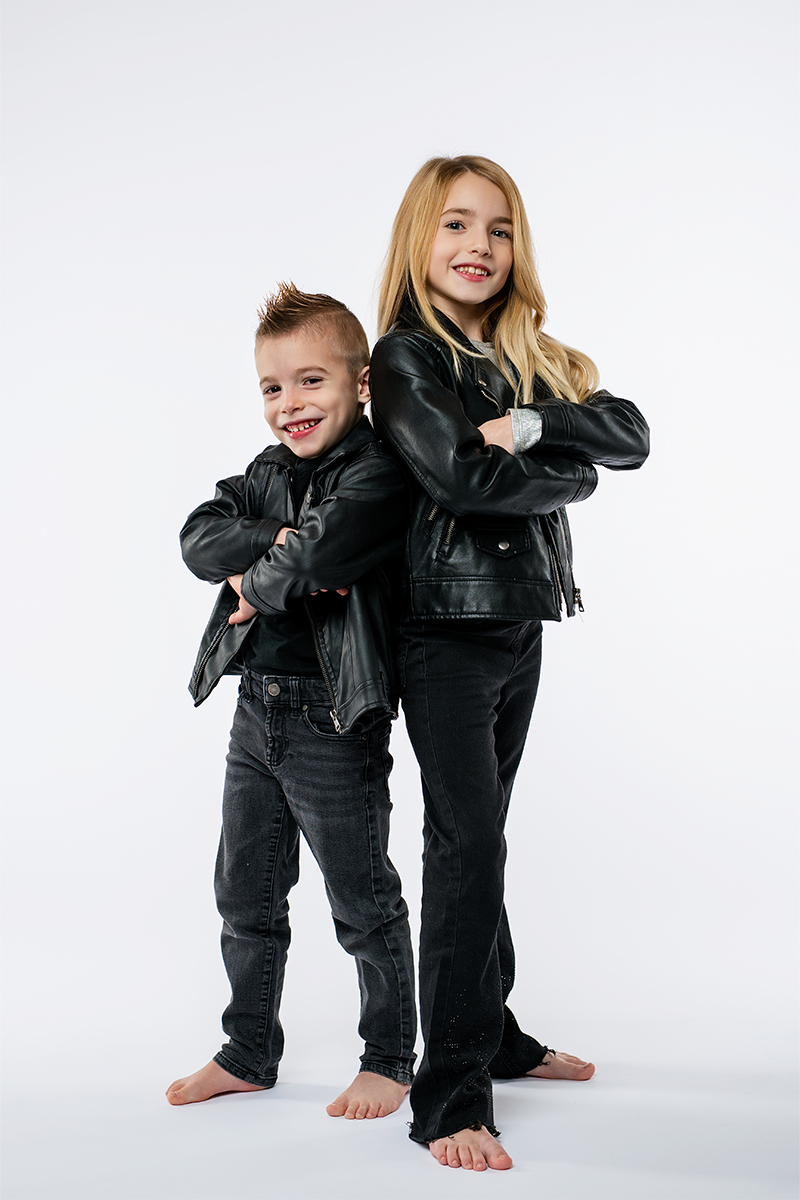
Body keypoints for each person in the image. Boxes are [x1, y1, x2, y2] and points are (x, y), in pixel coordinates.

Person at [369, 155, 650, 1170]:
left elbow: (630, 434)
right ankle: (449, 1094)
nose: (477, 246)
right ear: (420, 237)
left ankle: (495, 1034)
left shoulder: (532, 360)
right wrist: (571, 476)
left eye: (496, 228)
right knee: (465, 844)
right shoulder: (407, 358)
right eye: (455, 224)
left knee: (481, 838)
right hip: (442, 630)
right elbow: (462, 479)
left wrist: (536, 425)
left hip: (516, 623)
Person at [167, 284, 416, 1121]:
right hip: (256, 710)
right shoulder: (267, 472)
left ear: (361, 385)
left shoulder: (379, 470)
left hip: (332, 716)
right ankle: (247, 1051)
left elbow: (320, 559)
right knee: (245, 895)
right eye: (273, 388)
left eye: (312, 381)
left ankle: (389, 1058)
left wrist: (267, 573)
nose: (290, 405)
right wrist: (278, 542)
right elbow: (197, 536)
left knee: (362, 901)